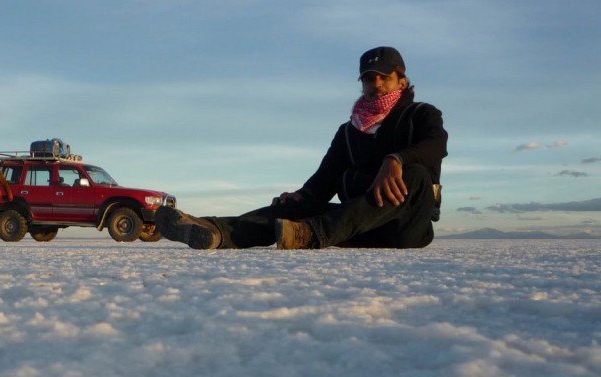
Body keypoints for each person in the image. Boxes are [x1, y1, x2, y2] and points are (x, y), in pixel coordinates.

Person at [156, 46, 447, 250]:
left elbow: (436, 145)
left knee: (416, 175)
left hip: (405, 229)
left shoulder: (421, 114)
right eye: (370, 77)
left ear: (402, 79)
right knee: (294, 208)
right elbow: (327, 176)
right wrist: (302, 196)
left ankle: (309, 234)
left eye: (384, 76)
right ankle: (216, 231)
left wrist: (396, 159)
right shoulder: (349, 130)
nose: (377, 83)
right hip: (355, 226)